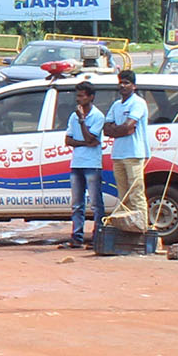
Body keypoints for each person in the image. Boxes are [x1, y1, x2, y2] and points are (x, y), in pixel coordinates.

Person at [101, 68, 155, 252]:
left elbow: (128, 127)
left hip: (134, 153)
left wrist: (120, 129)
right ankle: (126, 232)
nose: (123, 86)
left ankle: (143, 231)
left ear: (134, 85)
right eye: (121, 82)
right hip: (118, 154)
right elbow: (107, 129)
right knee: (123, 195)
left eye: (127, 83)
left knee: (136, 192)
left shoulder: (138, 103)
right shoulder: (116, 105)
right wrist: (120, 129)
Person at [63, 80, 107, 249]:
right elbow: (68, 140)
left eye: (81, 96)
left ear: (91, 97)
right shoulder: (74, 116)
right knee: (76, 204)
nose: (78, 99)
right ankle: (77, 237)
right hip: (77, 163)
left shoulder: (97, 116)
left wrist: (82, 123)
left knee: (96, 203)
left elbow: (92, 139)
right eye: (78, 95)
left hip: (92, 164)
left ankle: (98, 237)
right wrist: (83, 142)